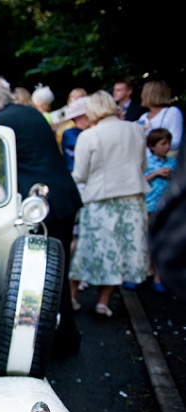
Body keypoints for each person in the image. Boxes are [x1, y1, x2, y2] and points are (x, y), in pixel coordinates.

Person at [0, 73, 83, 356]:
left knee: (42, 275)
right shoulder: (27, 113)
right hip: (61, 198)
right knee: (57, 273)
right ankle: (65, 337)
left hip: (44, 204)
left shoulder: (1, 123)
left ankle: (56, 342)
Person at [68, 91, 150, 316]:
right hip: (132, 199)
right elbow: (142, 166)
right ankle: (103, 302)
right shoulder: (136, 130)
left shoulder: (89, 136)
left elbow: (81, 174)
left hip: (100, 200)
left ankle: (73, 297)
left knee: (88, 250)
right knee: (120, 253)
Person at [143, 129, 176, 293]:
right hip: (148, 206)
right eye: (163, 144)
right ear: (151, 145)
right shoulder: (146, 162)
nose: (167, 147)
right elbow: (140, 180)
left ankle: (157, 276)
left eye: (168, 143)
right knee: (145, 240)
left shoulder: (172, 163)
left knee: (160, 241)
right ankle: (145, 272)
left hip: (164, 207)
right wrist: (155, 173)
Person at [137, 80, 183, 155]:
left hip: (162, 164)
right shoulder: (144, 116)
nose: (141, 95)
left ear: (151, 95)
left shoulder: (172, 112)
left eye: (144, 92)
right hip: (144, 163)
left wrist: (149, 133)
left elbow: (175, 143)